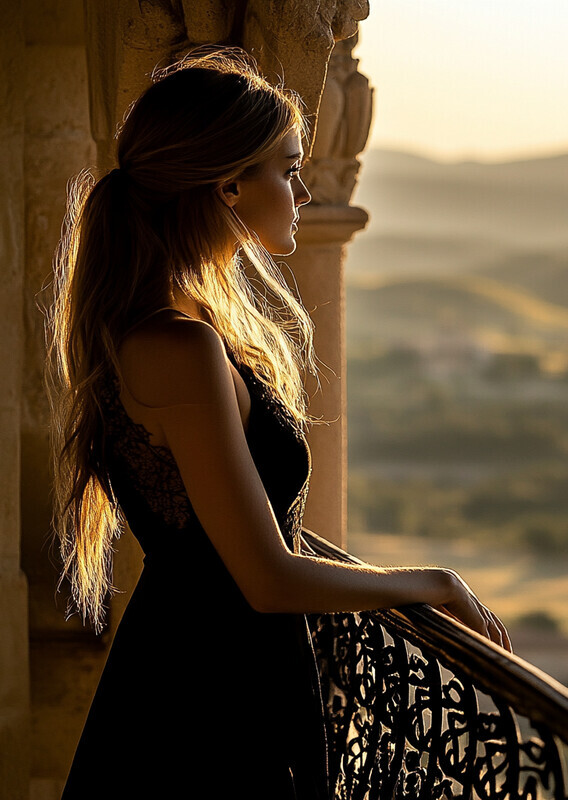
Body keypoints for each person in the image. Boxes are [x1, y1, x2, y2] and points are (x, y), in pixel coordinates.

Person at [44, 45, 511, 799]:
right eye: (289, 170)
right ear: (229, 183)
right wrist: (430, 582)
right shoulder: (178, 343)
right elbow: (264, 577)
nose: (300, 191)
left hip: (212, 682)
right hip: (201, 715)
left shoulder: (182, 329)